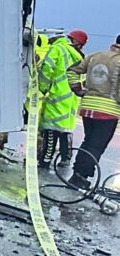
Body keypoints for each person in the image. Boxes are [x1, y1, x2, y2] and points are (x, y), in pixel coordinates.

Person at [68, 34, 120, 190]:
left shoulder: (94, 56)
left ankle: (77, 174)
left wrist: (77, 88)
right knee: (96, 146)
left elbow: (71, 71)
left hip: (88, 106)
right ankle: (79, 178)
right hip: (108, 110)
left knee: (88, 141)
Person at [38, 30, 87, 167]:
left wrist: (42, 88)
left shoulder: (58, 49)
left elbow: (47, 68)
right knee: (65, 129)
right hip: (72, 97)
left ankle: (45, 160)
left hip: (57, 94)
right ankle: (66, 158)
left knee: (51, 129)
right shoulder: (81, 56)